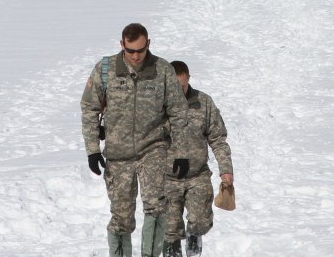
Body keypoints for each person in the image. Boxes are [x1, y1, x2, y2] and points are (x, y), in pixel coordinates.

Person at [81, 23, 190, 257]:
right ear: (122, 45)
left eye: (140, 50)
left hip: (153, 149)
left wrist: (180, 152)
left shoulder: (162, 70)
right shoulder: (106, 69)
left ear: (148, 44)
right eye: (130, 51)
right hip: (118, 154)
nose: (136, 55)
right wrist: (92, 149)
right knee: (121, 216)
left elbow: (179, 112)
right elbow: (90, 108)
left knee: (155, 206)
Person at [163, 61, 233, 257]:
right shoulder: (156, 106)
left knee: (199, 220)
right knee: (170, 228)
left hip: (197, 175)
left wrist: (226, 169)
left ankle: (194, 243)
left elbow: (218, 139)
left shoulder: (204, 103)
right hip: (167, 177)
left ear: (188, 80)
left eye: (182, 86)